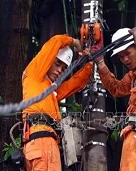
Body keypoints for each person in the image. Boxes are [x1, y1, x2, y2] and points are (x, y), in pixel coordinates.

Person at [92, 27, 136, 171]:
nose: (125, 59)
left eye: (127, 53)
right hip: (135, 136)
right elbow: (116, 89)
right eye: (120, 56)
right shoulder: (133, 76)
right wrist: (100, 63)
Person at [21, 34, 93, 171]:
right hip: (44, 142)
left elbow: (74, 84)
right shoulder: (35, 74)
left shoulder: (48, 90)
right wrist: (74, 42)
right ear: (49, 61)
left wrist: (89, 64)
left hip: (38, 143)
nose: (60, 71)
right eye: (57, 64)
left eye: (64, 68)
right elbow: (56, 41)